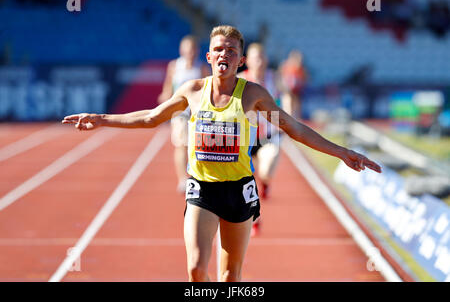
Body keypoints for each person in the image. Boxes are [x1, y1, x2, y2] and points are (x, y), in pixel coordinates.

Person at [62, 25, 382, 282]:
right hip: (202, 188)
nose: (224, 54)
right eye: (218, 49)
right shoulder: (192, 92)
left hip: (239, 190)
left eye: (231, 50)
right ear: (209, 56)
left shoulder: (254, 96)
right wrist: (100, 119)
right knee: (197, 269)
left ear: (241, 59)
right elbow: (151, 118)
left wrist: (341, 152)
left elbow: (293, 128)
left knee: (230, 276)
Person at [238, 43, 293, 236]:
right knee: (247, 184)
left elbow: (286, 94)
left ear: (266, 59)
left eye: (262, 57)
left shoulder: (274, 77)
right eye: (255, 57)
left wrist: (287, 116)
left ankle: (266, 182)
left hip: (270, 134)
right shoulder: (240, 79)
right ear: (247, 60)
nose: (259, 61)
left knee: (266, 170)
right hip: (247, 136)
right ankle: (255, 219)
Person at [157, 35, 210, 193]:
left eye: (193, 49)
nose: (190, 52)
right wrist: (165, 97)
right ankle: (182, 179)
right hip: (180, 112)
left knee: (196, 147)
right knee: (181, 145)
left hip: (197, 113)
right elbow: (168, 87)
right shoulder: (174, 66)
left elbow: (207, 90)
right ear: (182, 50)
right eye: (187, 49)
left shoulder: (202, 68)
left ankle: (197, 176)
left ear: (197, 50)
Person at [279, 49, 308, 119]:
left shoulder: (301, 69)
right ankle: (287, 119)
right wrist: (286, 88)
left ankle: (296, 120)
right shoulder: (286, 67)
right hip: (285, 92)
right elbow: (279, 80)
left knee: (296, 104)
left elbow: (305, 81)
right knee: (287, 100)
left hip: (297, 93)